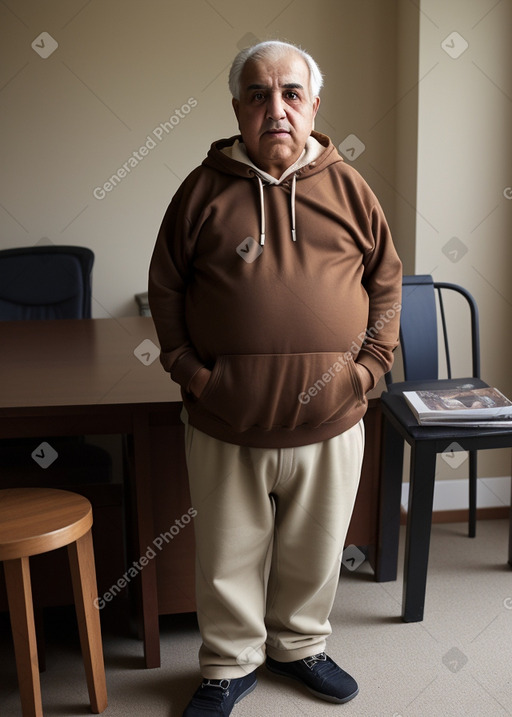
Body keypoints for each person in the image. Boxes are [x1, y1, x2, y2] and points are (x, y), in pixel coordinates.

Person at [148, 40, 402, 717]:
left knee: (317, 549)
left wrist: (370, 368)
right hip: (225, 417)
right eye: (258, 95)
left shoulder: (350, 186)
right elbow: (165, 289)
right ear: (237, 109)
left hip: (335, 415)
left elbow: (386, 281)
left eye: (291, 93)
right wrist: (191, 373)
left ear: (314, 105)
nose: (276, 109)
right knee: (227, 553)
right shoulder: (200, 191)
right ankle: (229, 663)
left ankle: (301, 646)